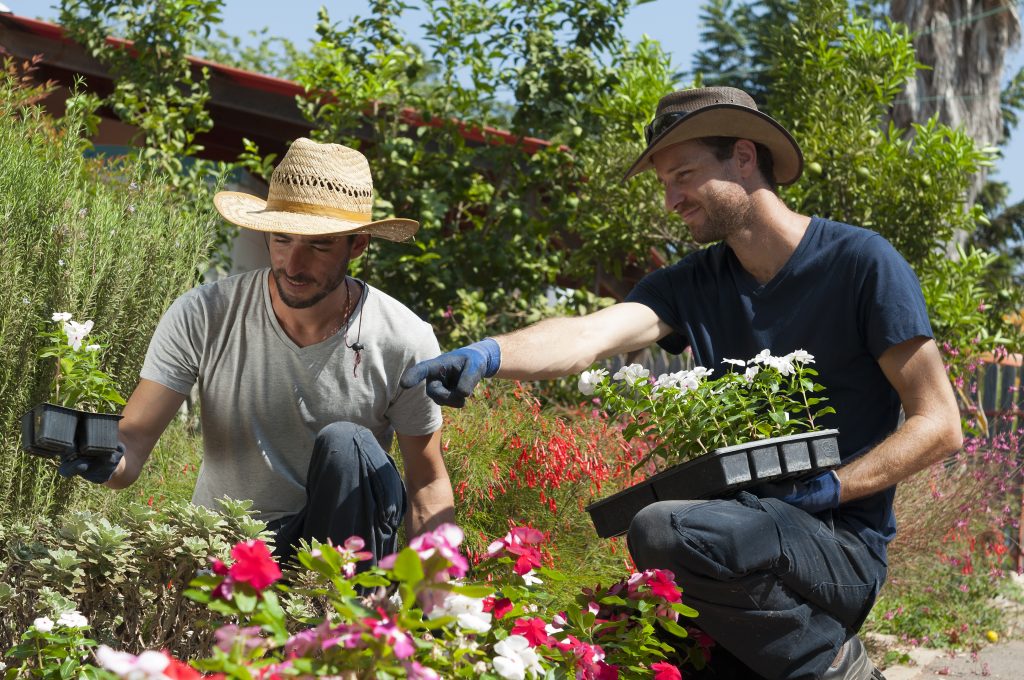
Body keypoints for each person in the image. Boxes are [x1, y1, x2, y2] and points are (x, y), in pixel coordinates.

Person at [400, 87, 962, 680]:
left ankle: (836, 666)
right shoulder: (694, 282)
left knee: (660, 527)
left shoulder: (861, 263)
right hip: (735, 547)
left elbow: (939, 424)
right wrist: (490, 354)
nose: (671, 200)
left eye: (684, 176)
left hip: (838, 546)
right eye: (665, 183)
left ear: (743, 157)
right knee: (632, 637)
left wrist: (825, 490)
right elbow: (589, 336)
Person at [56, 138, 455, 565]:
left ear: (357, 245)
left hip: (342, 552)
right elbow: (132, 442)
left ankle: (339, 622)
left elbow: (427, 484)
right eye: (281, 239)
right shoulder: (205, 313)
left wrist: (434, 594)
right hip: (230, 548)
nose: (293, 263)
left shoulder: (402, 338)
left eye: (318, 246)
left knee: (348, 445)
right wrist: (99, 459)